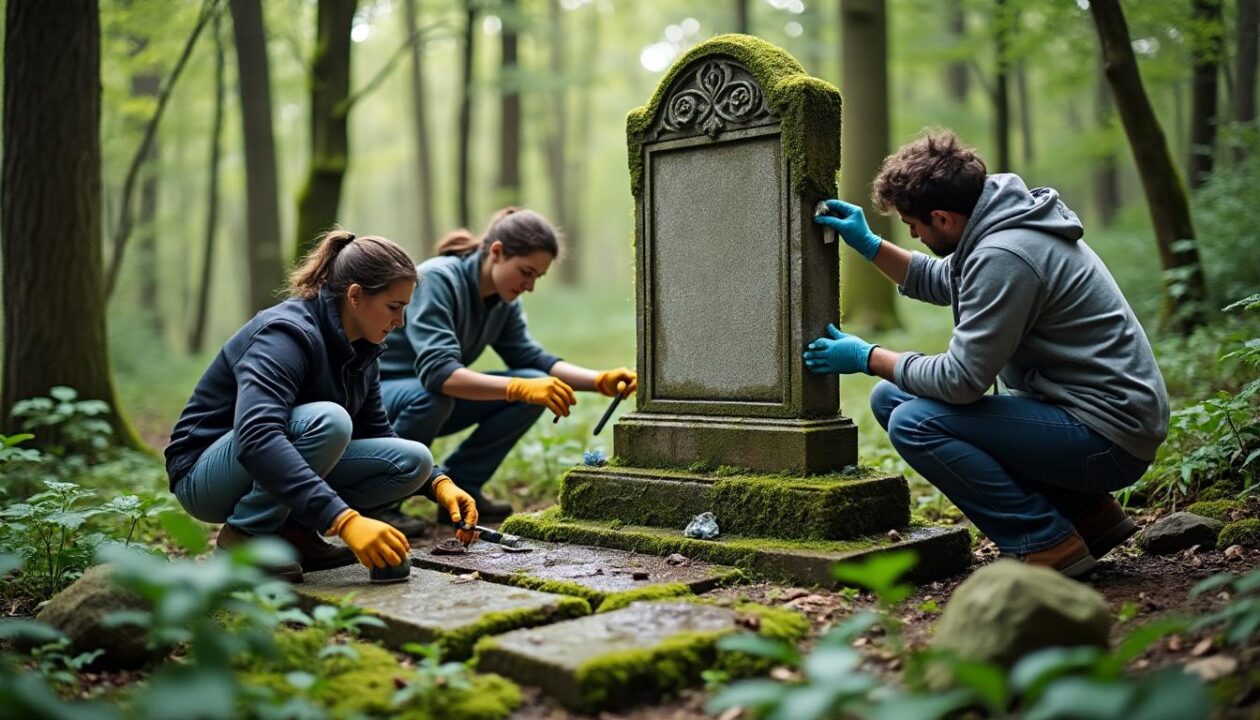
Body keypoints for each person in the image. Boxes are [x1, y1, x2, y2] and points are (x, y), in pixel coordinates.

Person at [806, 130, 1169, 578]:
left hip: (1108, 438)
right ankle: (1088, 515)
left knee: (914, 422)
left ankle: (1047, 543)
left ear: (942, 218)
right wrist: (869, 245)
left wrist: (867, 356)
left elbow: (960, 382)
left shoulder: (1006, 254)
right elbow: (945, 279)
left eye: (912, 225)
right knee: (890, 398)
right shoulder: (997, 221)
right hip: (1088, 416)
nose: (914, 234)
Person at [165, 229, 479, 583]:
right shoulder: (284, 334)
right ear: (356, 296)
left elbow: (377, 432)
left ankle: (293, 534)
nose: (400, 322)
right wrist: (343, 520)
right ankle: (246, 535)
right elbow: (257, 436)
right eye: (394, 307)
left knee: (413, 460)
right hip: (205, 473)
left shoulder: (364, 348)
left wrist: (438, 483)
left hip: (265, 462)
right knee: (329, 422)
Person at [377, 208, 636, 531]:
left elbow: (531, 357)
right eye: (525, 272)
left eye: (537, 277)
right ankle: (380, 503)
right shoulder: (438, 280)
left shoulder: (503, 301)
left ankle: (461, 490)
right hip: (378, 398)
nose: (529, 286)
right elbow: (439, 374)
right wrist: (516, 388)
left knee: (533, 384)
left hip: (425, 396)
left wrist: (599, 381)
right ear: (497, 252)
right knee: (438, 397)